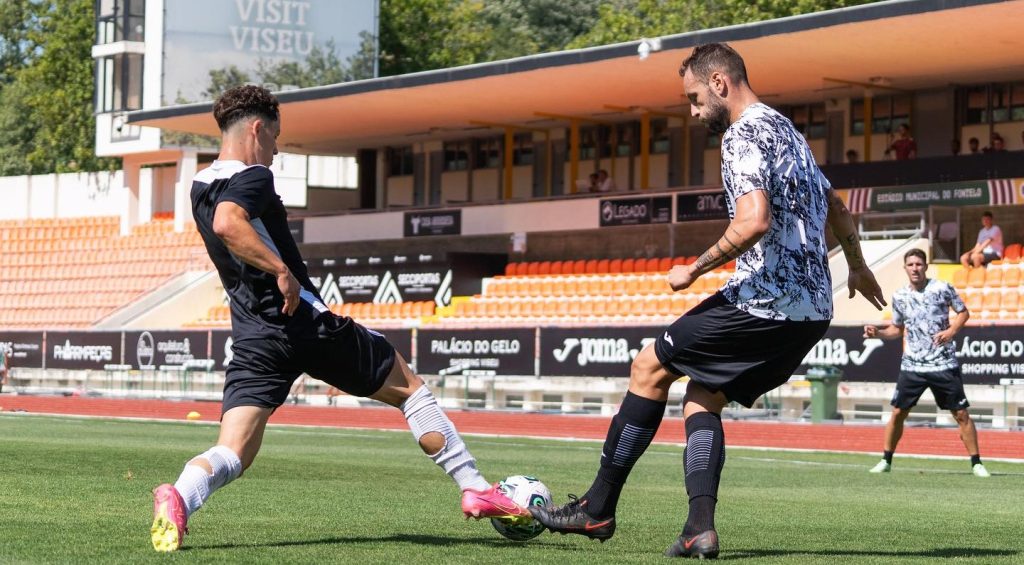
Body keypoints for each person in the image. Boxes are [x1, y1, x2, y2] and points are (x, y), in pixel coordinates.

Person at [528, 42, 885, 559]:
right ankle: (699, 528)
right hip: (812, 310)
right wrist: (856, 264)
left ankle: (597, 508)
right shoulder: (786, 129)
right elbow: (834, 203)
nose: (693, 112)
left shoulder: (741, 136)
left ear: (720, 83)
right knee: (704, 395)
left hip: (765, 300)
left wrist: (692, 269)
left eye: (694, 98)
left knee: (649, 367)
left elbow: (753, 220)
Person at [149, 85, 527, 552]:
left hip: (253, 336)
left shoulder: (199, 185)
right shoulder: (253, 177)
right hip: (303, 323)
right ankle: (475, 487)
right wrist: (280, 269)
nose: (276, 148)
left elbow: (223, 225)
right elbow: (230, 223)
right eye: (275, 137)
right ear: (257, 129)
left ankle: (179, 496)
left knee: (234, 452)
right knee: (409, 388)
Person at [864, 248, 989, 477]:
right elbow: (896, 329)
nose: (915, 268)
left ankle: (977, 463)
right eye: (910, 264)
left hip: (943, 363)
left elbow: (963, 312)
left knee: (961, 413)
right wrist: (878, 334)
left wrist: (951, 331)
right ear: (905, 268)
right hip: (913, 365)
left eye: (919, 264)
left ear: (925, 266)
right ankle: (886, 460)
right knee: (898, 412)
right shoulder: (900, 296)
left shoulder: (942, 288)